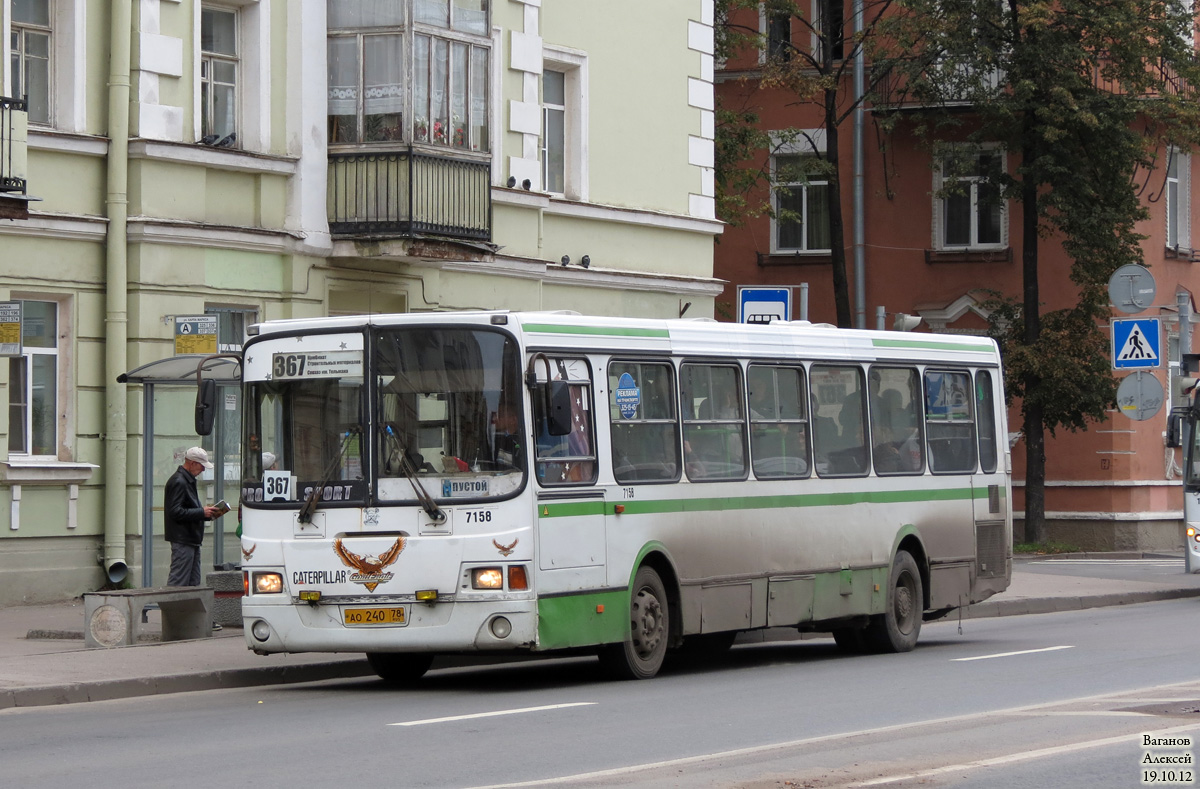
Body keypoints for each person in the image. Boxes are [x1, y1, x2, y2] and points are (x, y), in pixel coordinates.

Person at [164, 447, 220, 589]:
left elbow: (182, 509)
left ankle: (184, 610)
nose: (203, 470)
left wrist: (205, 513)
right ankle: (173, 611)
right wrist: (201, 513)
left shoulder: (185, 480)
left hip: (189, 539)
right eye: (201, 466)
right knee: (179, 583)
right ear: (192, 463)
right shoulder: (179, 481)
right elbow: (175, 511)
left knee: (192, 583)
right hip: (184, 539)